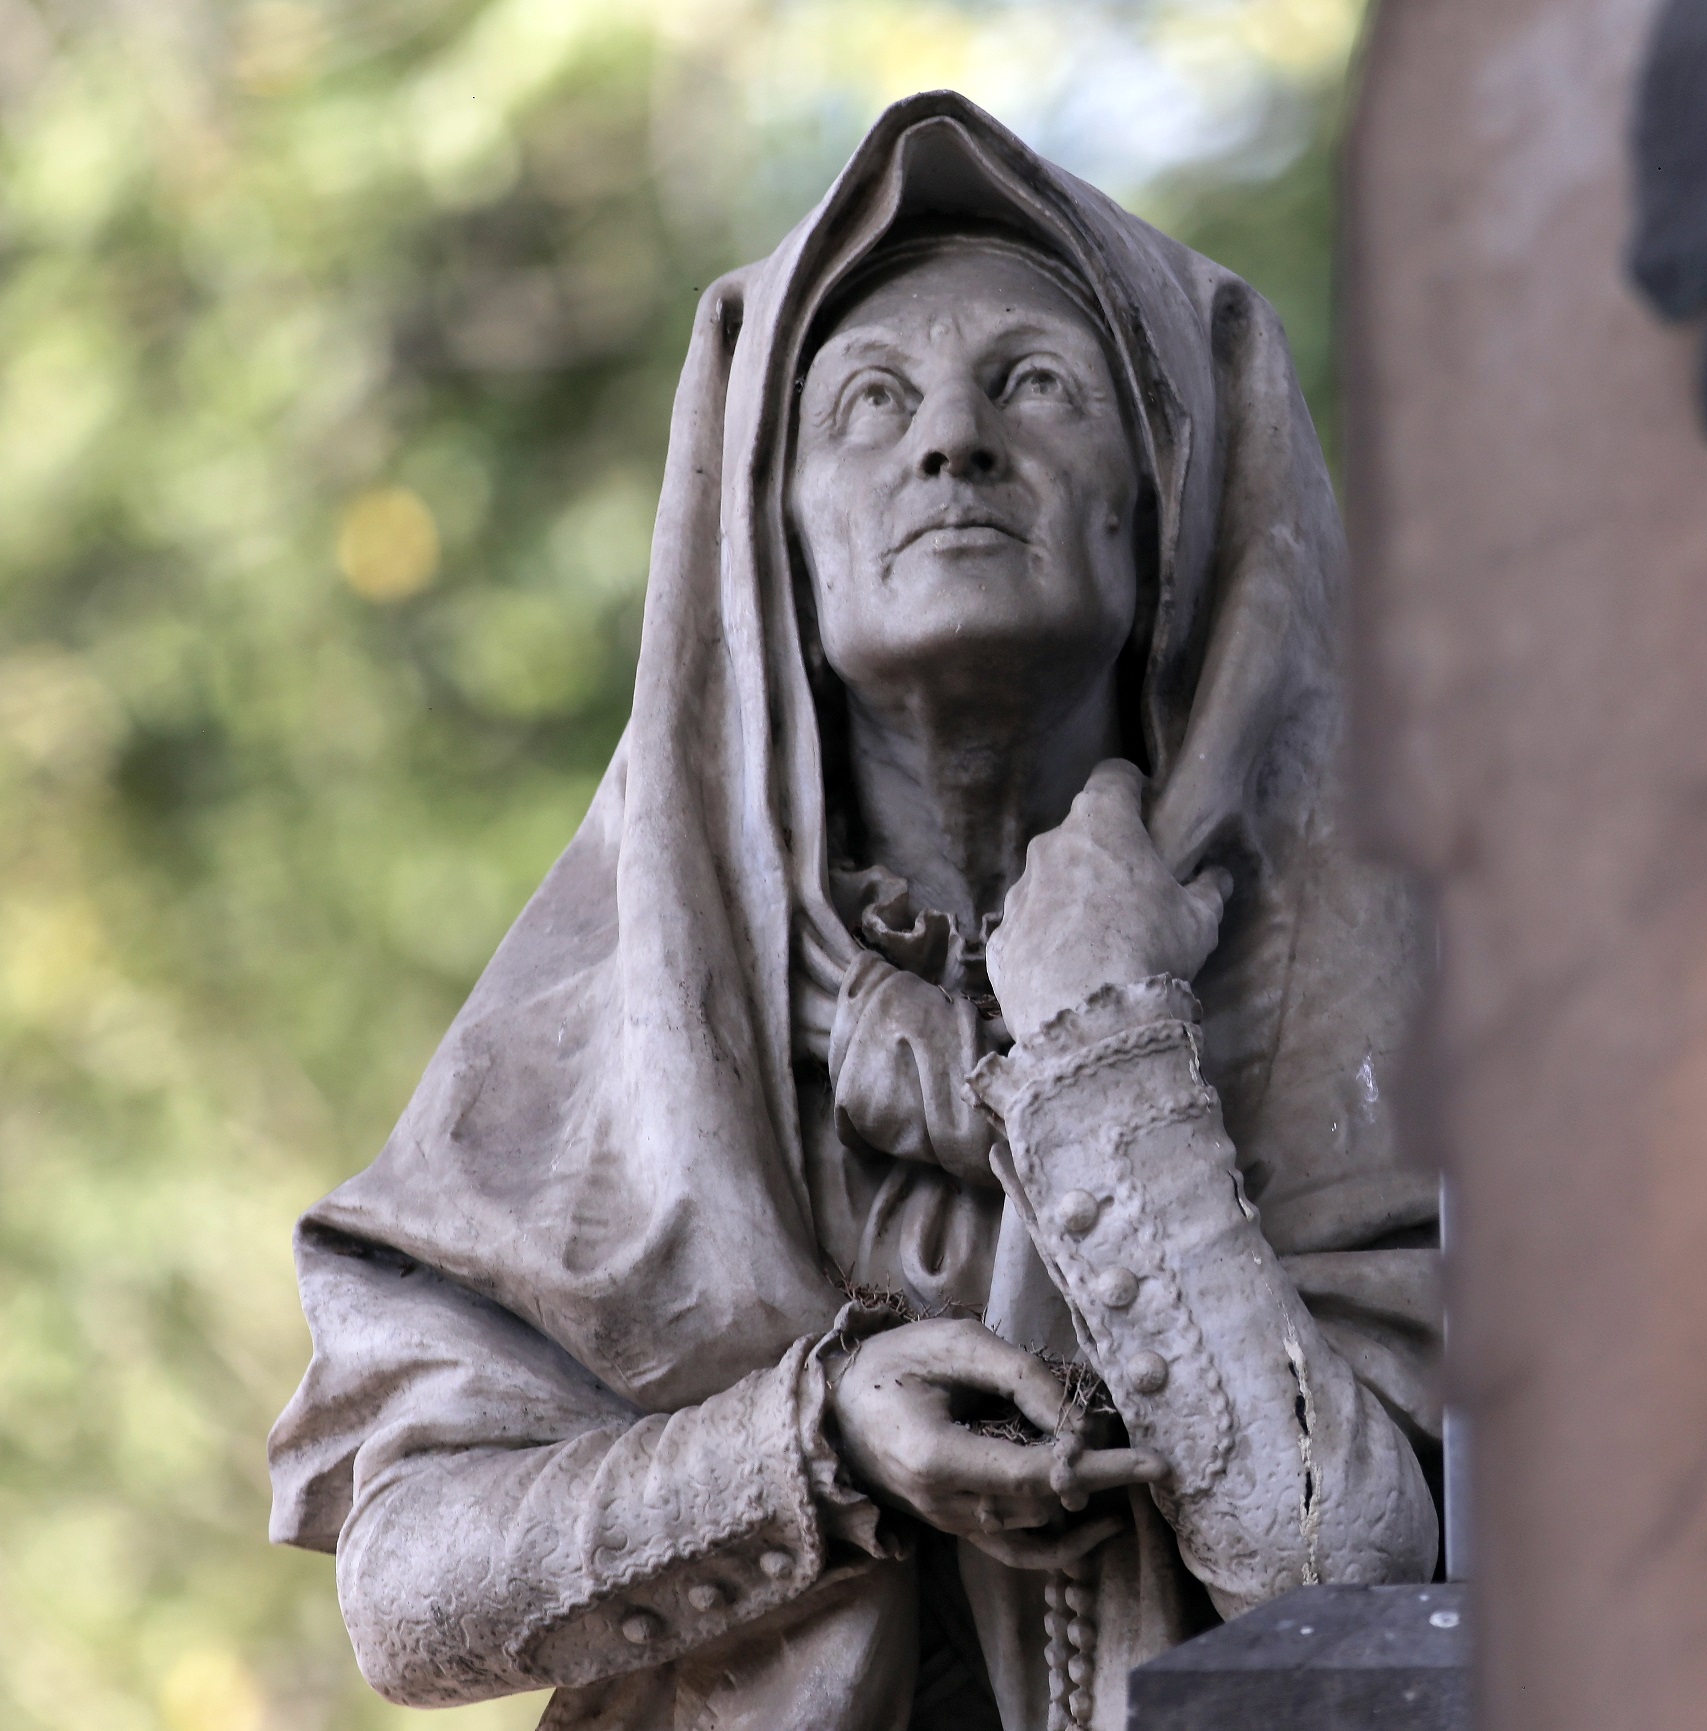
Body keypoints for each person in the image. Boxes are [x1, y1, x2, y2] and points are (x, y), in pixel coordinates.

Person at [267, 93, 1440, 1731]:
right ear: (775, 536)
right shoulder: (632, 1001)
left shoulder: (1378, 981)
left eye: (1036, 386)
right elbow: (408, 1591)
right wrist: (810, 1450)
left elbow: (1344, 1569)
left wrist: (1110, 1055)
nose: (951, 446)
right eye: (869, 406)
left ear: (1165, 496)